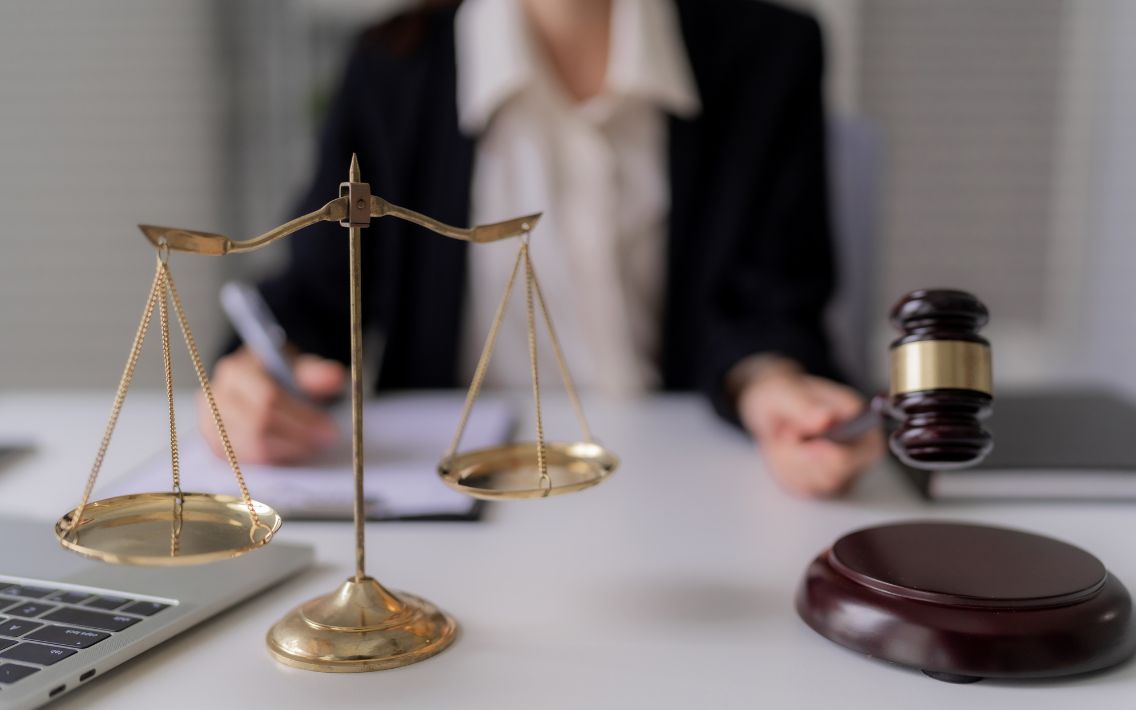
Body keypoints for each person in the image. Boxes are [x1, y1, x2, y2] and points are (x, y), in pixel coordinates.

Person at [203, 0, 884, 497]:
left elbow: (773, 299)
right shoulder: (392, 70)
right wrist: (256, 381)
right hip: (455, 500)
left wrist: (771, 386)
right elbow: (317, 298)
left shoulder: (770, 52)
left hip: (691, 494)